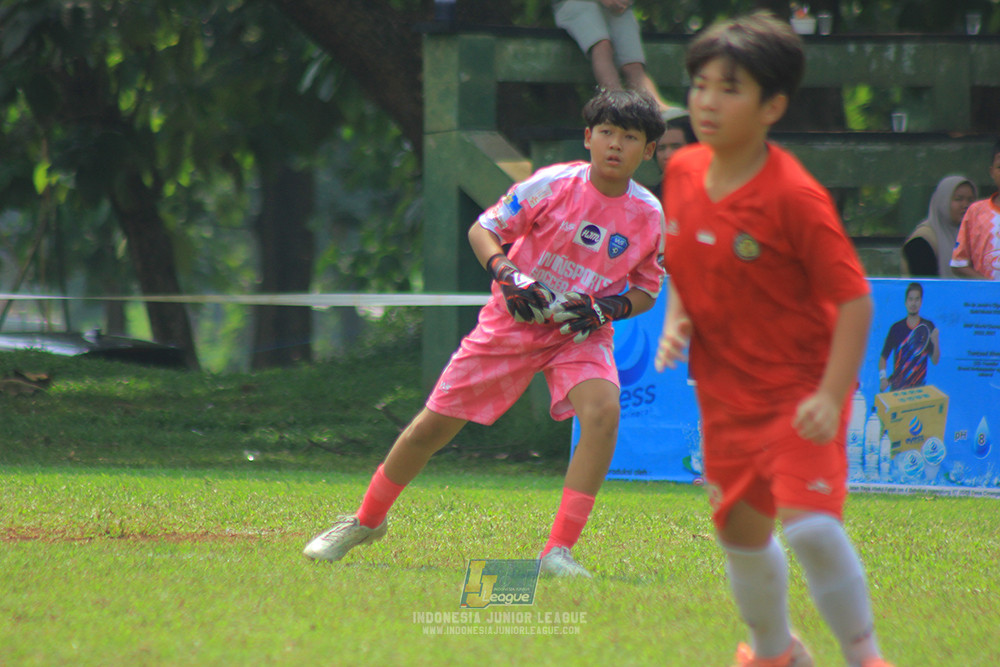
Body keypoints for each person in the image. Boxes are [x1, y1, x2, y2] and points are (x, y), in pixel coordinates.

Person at [303, 88, 667, 578]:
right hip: (510, 325)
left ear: (648, 151)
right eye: (606, 132)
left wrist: (607, 309)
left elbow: (646, 289)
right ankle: (365, 521)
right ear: (587, 137)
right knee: (430, 429)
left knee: (603, 414)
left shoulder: (649, 214)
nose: (615, 144)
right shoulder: (553, 184)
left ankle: (557, 552)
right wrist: (507, 272)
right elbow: (483, 229)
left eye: (629, 137)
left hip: (578, 334)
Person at [654, 13, 893, 667]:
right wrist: (678, 317)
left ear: (773, 106)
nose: (706, 100)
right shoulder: (681, 173)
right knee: (740, 532)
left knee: (812, 526)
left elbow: (855, 300)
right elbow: (682, 259)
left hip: (798, 390)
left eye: (729, 87)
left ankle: (864, 654)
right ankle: (774, 652)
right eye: (699, 84)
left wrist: (830, 393)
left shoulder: (795, 198)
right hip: (726, 394)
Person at [553, 0, 671, 111]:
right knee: (602, 46)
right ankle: (616, 100)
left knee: (633, 65)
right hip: (577, 4)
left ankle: (653, 106)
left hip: (618, 8)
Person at [900, 175, 977, 277]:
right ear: (942, 202)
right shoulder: (922, 241)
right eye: (958, 199)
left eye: (970, 200)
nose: (965, 205)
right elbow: (925, 286)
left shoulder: (974, 237)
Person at [950, 138, 1000, 279]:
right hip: (985, 299)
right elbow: (958, 263)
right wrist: (987, 286)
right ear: (991, 172)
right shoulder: (975, 212)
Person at [878, 282, 940, 392]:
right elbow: (883, 358)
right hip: (897, 389)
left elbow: (935, 360)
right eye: (910, 299)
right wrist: (883, 378)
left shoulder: (928, 326)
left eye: (917, 299)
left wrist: (935, 341)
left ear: (921, 302)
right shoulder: (896, 328)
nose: (913, 303)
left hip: (918, 390)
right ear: (906, 302)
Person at [649, 112, 697, 200]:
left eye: (676, 147)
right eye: (661, 148)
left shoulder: (708, 191)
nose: (668, 155)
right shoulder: (650, 199)